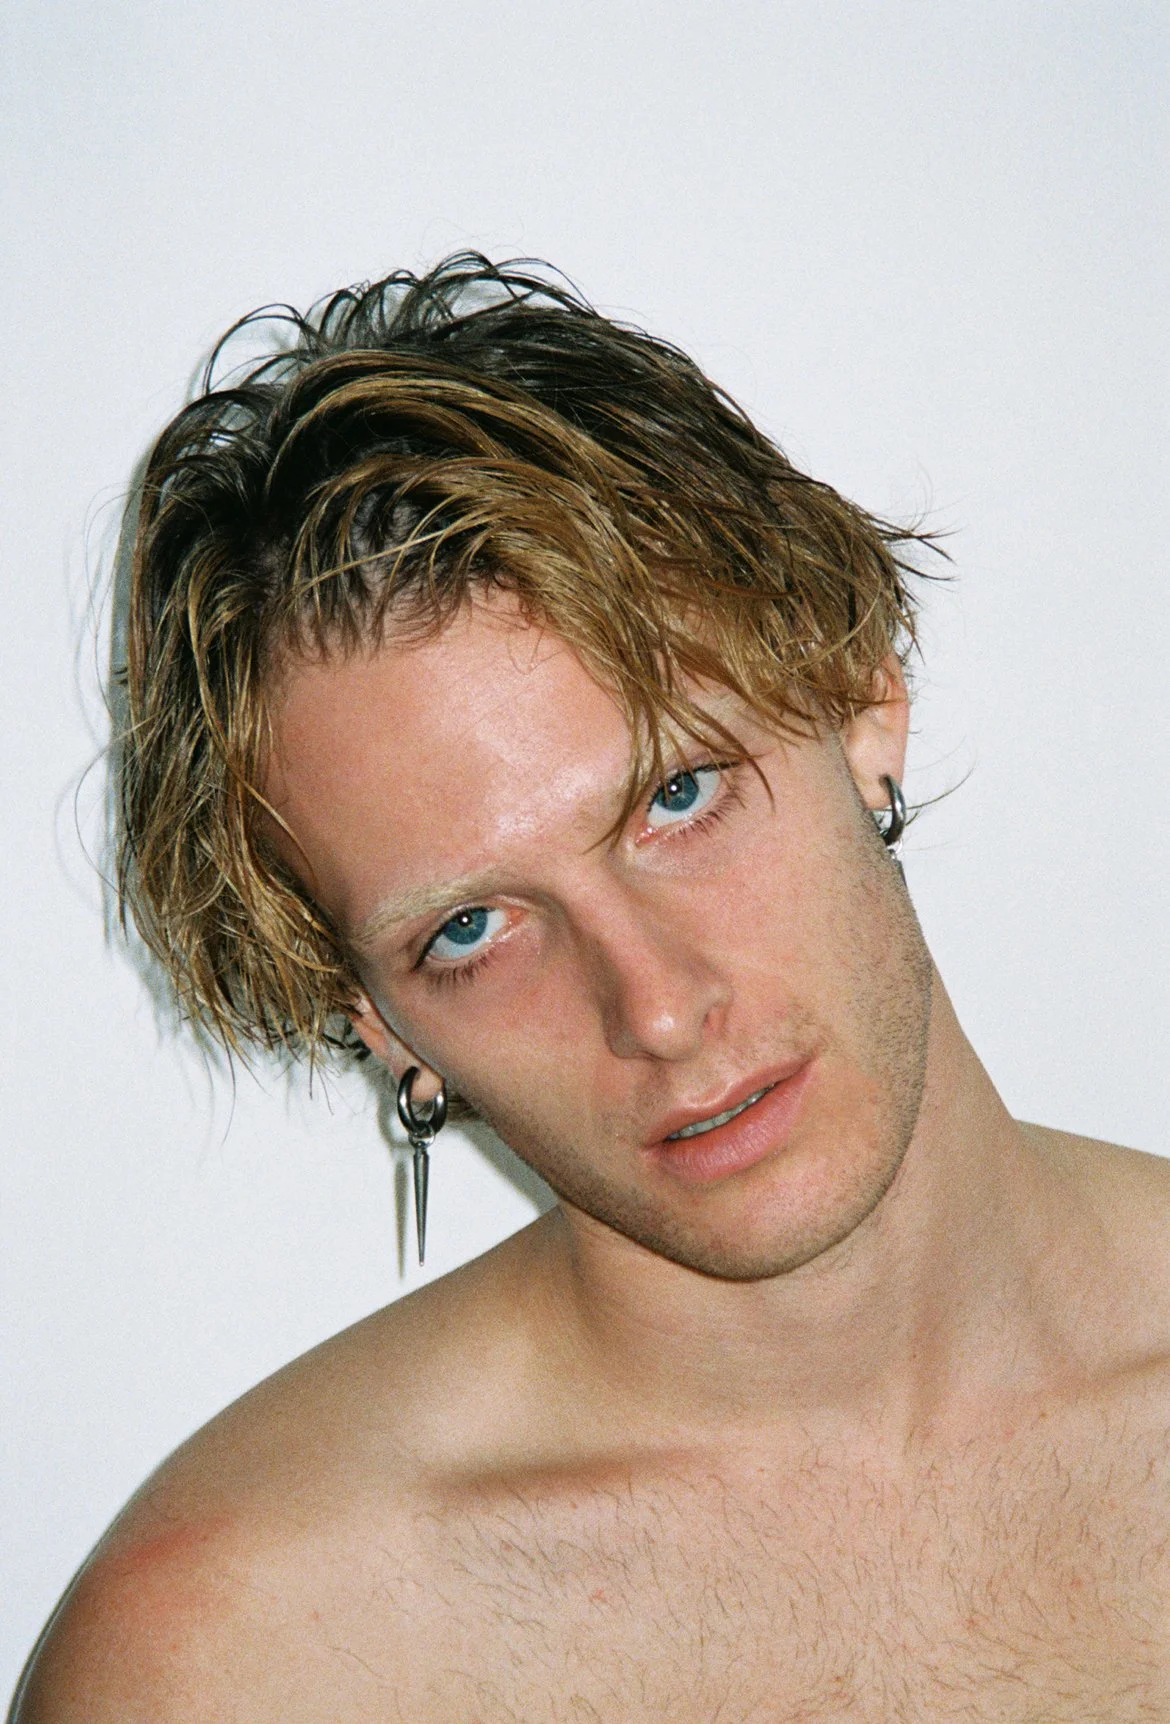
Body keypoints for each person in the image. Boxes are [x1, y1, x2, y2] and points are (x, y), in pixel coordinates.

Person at [15, 255, 1170, 1721]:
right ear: (377, 1019)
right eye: (471, 930)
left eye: (676, 798)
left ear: (858, 700)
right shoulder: (248, 1654)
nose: (658, 1009)